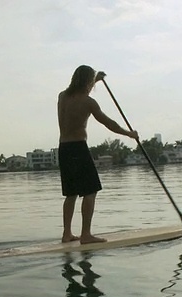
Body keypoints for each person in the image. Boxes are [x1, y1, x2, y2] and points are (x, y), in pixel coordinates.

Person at [57, 65, 139, 244]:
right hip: (78, 148)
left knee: (71, 194)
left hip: (63, 149)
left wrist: (96, 79)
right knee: (90, 191)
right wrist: (129, 134)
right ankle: (85, 235)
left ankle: (66, 234)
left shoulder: (62, 96)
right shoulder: (88, 102)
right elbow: (109, 123)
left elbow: (80, 89)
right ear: (86, 81)